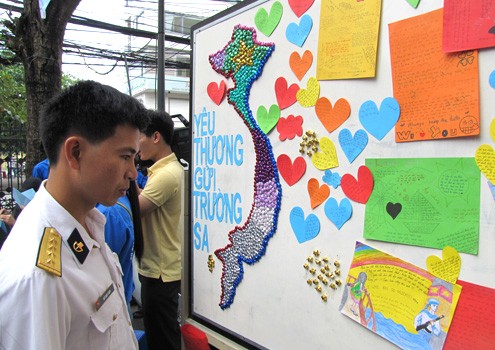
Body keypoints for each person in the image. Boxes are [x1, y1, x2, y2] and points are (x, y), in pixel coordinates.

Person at [0, 80, 149, 350]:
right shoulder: (39, 277)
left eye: (134, 159)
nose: (132, 173)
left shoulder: (90, 224)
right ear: (75, 152)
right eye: (125, 156)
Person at [137, 109, 184, 350]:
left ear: (156, 137)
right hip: (160, 271)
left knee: (162, 341)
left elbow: (138, 208)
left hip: (161, 274)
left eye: (139, 137)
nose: (137, 145)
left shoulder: (165, 174)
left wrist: (124, 174)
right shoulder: (166, 170)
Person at [97, 180, 143, 319]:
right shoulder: (117, 203)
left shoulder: (110, 212)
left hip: (113, 307)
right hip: (120, 299)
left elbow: (104, 271)